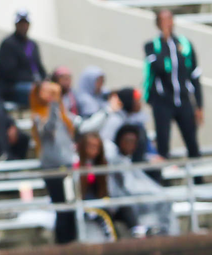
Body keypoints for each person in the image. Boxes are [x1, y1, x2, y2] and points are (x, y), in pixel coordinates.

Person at [30, 80, 114, 244]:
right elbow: (49, 129)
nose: (50, 94)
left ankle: (72, 241)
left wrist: (106, 112)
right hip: (53, 169)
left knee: (71, 208)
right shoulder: (37, 116)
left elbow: (83, 126)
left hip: (68, 167)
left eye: (51, 91)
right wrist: (55, 103)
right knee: (62, 209)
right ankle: (63, 244)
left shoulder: (63, 113)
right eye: (45, 91)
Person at [144, 8, 203, 160]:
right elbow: (158, 68)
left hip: (184, 100)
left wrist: (199, 105)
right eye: (162, 20)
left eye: (169, 19)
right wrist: (165, 40)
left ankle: (198, 180)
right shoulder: (152, 45)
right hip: (162, 102)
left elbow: (195, 76)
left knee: (192, 142)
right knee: (163, 143)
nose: (167, 23)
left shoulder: (185, 45)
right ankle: (161, 180)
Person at [106, 125, 178, 234]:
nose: (130, 145)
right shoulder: (116, 161)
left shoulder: (127, 160)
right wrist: (155, 193)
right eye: (127, 141)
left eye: (133, 142)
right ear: (119, 140)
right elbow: (129, 187)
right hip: (123, 202)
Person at [77, 131, 139, 237]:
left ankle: (138, 233)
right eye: (90, 146)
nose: (93, 149)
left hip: (103, 202)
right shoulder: (77, 164)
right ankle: (113, 242)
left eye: (96, 146)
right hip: (88, 206)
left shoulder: (103, 164)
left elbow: (108, 189)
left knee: (126, 209)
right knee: (105, 216)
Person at [0, 9, 46, 104]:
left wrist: (45, 79)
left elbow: (39, 67)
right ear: (16, 25)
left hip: (34, 83)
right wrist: (34, 81)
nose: (23, 26)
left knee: (54, 88)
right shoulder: (8, 44)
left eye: (25, 23)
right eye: (21, 23)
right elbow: (9, 73)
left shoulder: (32, 44)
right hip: (14, 86)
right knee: (39, 92)